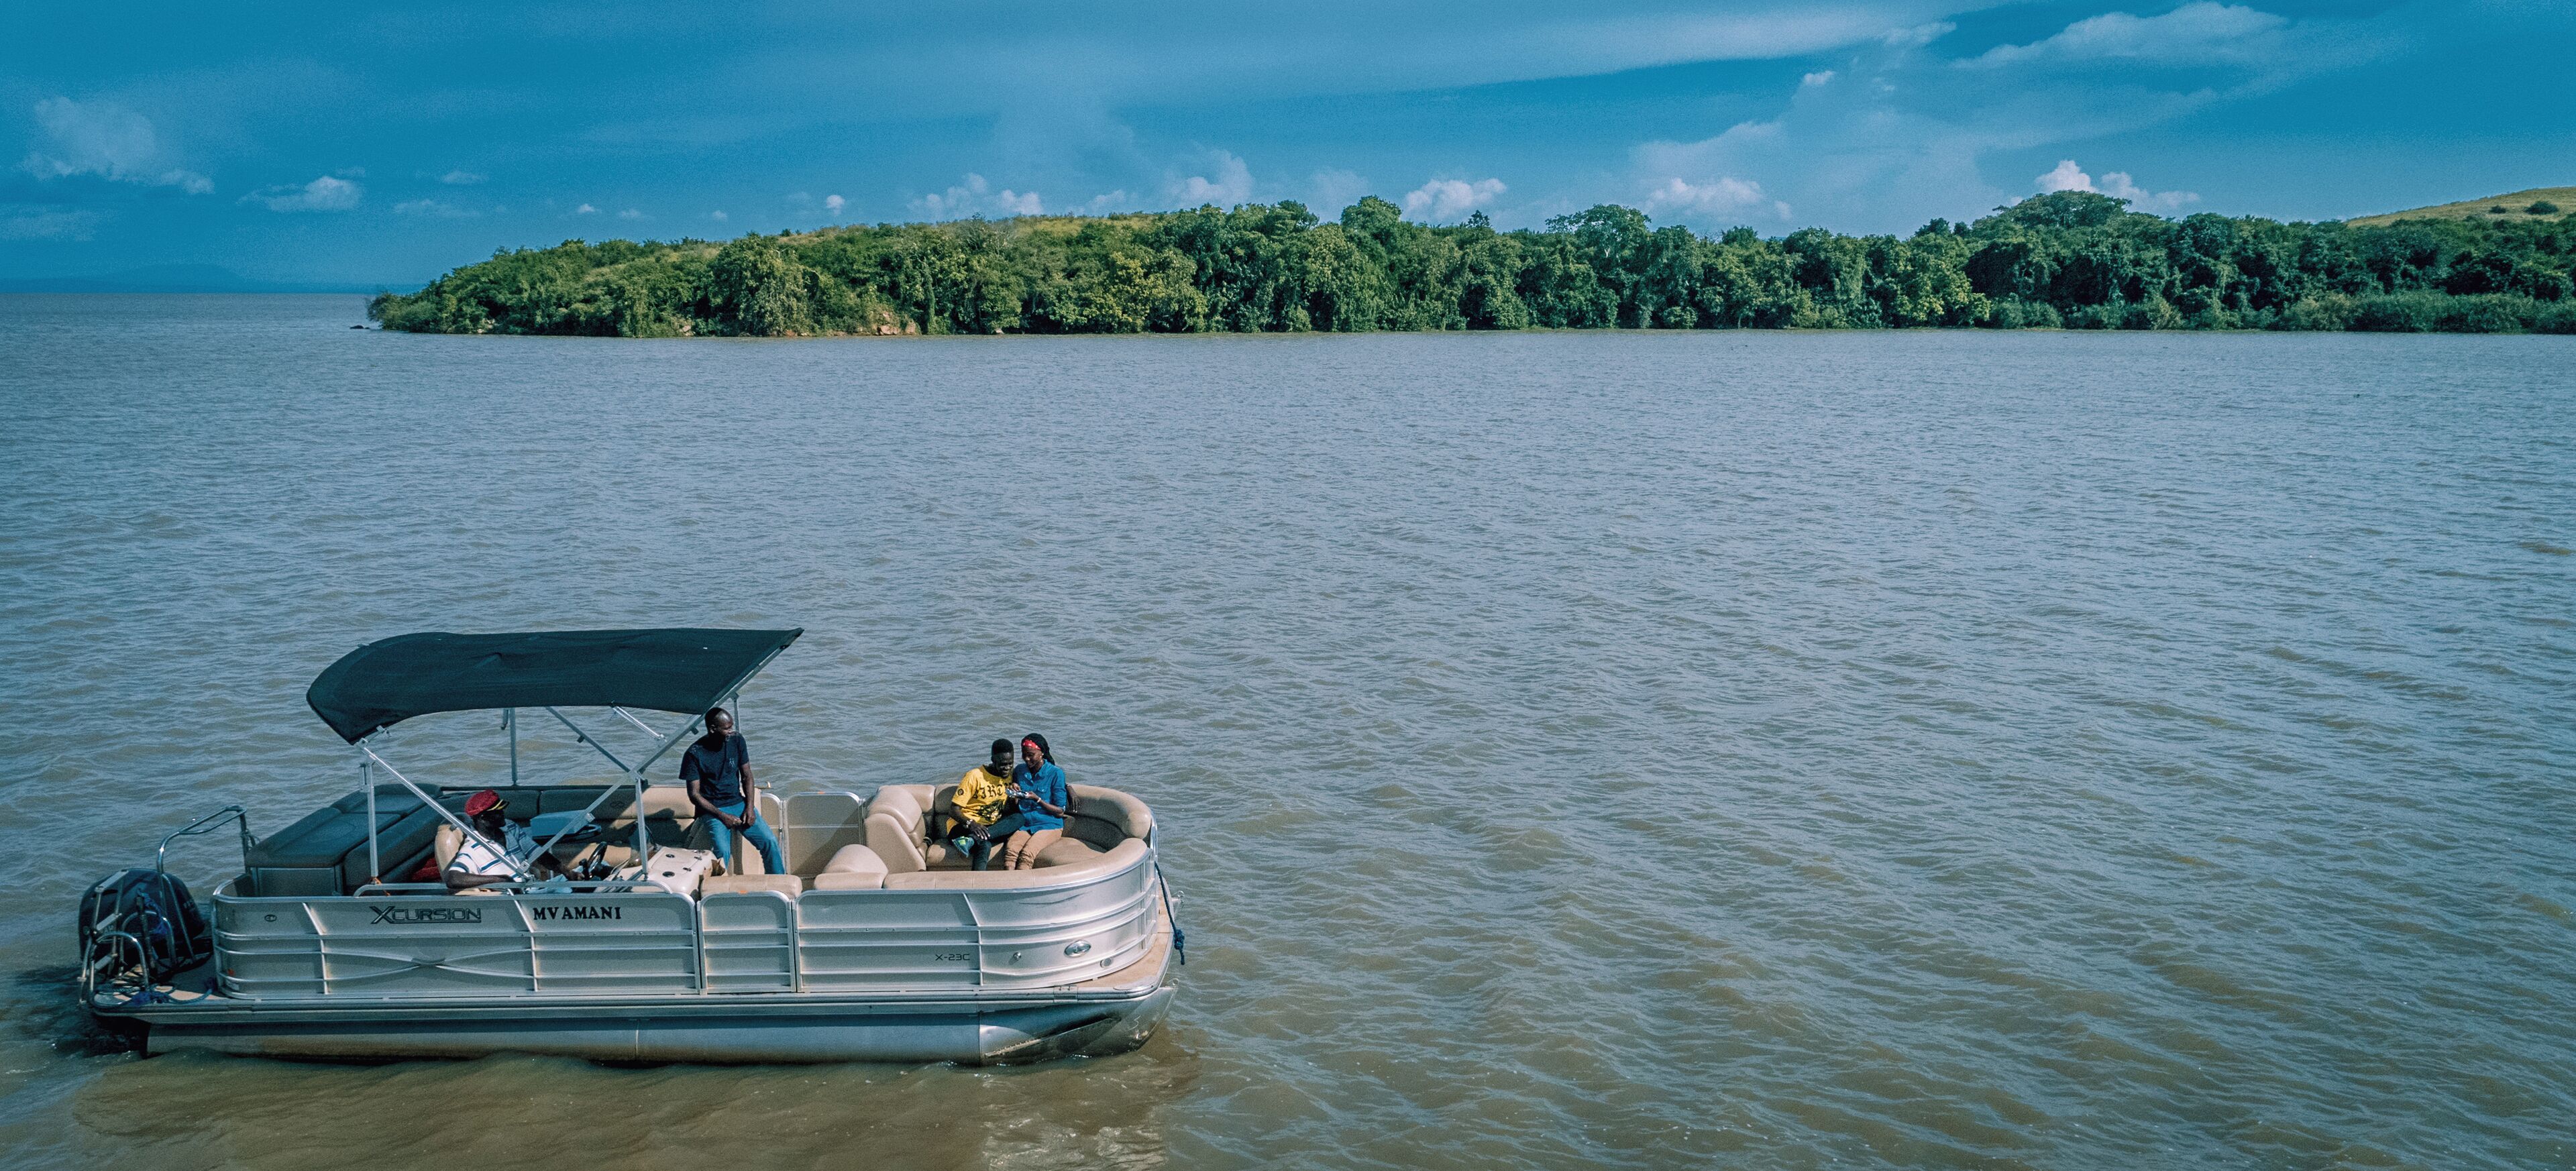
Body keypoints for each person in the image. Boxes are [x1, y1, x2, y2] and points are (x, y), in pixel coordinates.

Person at [681, 706, 786, 877]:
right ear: (713, 729)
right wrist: (723, 816)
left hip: (738, 803)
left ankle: (780, 883)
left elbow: (747, 776)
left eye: (732, 727)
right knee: (722, 851)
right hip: (713, 810)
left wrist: (749, 808)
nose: (732, 731)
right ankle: (718, 892)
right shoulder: (694, 754)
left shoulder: (737, 741)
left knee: (770, 842)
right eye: (727, 728)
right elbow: (694, 795)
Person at [443, 789, 564, 890]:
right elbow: (453, 879)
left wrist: (566, 871)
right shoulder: (472, 849)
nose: (503, 813)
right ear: (483, 817)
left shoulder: (510, 827)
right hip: (513, 901)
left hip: (533, 889)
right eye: (498, 811)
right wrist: (499, 879)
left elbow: (538, 854)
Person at [945, 738, 1022, 871]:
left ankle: (972, 840)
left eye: (1010, 764)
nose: (1007, 768)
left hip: (989, 827)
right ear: (993, 759)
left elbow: (1010, 809)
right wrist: (972, 825)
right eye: (1003, 764)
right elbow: (953, 810)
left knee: (1019, 818)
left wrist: (1014, 798)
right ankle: (978, 885)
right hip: (963, 826)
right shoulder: (974, 776)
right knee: (985, 845)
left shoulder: (1009, 776)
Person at [1000, 733, 1070, 870]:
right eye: (1024, 754)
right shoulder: (1020, 771)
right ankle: (1009, 886)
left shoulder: (1056, 773)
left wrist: (1037, 800)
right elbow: (1014, 805)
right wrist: (1014, 793)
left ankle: (1022, 889)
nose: (1026, 759)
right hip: (1025, 823)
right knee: (1010, 852)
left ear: (1042, 753)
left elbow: (1060, 811)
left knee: (1027, 854)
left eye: (1031, 755)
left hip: (1049, 825)